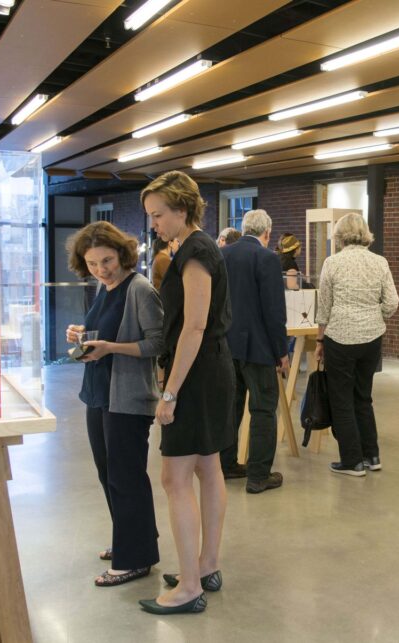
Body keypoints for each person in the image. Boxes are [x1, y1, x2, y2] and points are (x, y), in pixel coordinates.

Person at [140, 170, 233, 615]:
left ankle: (190, 585)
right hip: (209, 369)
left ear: (182, 209)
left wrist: (170, 392)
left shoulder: (196, 251)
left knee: (174, 477)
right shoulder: (195, 248)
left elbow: (193, 327)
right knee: (207, 467)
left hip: (196, 374)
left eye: (158, 215)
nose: (154, 224)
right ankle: (206, 565)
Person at [64, 221, 164, 587]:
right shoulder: (104, 288)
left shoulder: (139, 289)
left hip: (128, 398)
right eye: (92, 264)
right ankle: (133, 539)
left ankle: (135, 558)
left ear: (122, 253)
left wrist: (110, 348)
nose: (101, 269)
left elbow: (157, 343)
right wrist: (80, 333)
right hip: (98, 393)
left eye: (106, 260)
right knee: (110, 475)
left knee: (126, 477)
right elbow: (103, 332)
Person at [313, 213, 399, 476]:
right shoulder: (379, 262)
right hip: (371, 338)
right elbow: (392, 302)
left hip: (340, 337)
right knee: (363, 397)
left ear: (339, 235)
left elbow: (324, 305)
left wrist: (319, 339)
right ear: (365, 233)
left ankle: (352, 461)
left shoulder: (333, 263)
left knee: (341, 399)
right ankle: (372, 455)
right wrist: (376, 315)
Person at [219, 209, 290, 492]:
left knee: (230, 407)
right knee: (263, 409)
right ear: (267, 233)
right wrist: (281, 352)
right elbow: (274, 310)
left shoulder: (223, 255)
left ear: (243, 228)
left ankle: (227, 464)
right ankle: (259, 475)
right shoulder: (268, 258)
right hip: (258, 349)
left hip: (226, 346)